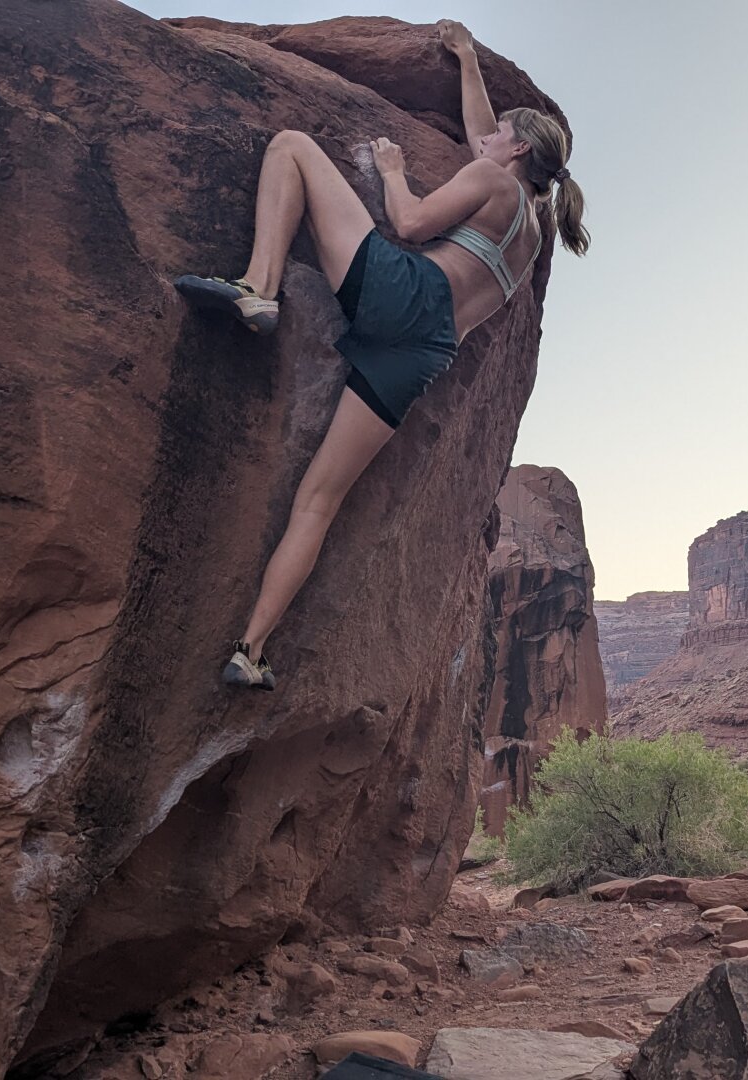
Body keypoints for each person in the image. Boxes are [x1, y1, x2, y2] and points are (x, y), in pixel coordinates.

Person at [173, 19, 589, 691]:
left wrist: (394, 172)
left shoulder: (490, 176)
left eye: (497, 135)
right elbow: (486, 134)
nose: (483, 138)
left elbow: (413, 223)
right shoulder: (533, 231)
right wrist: (466, 62)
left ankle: (259, 289)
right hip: (423, 354)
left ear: (515, 149)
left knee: (292, 147)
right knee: (319, 501)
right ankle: (250, 650)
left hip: (404, 294)